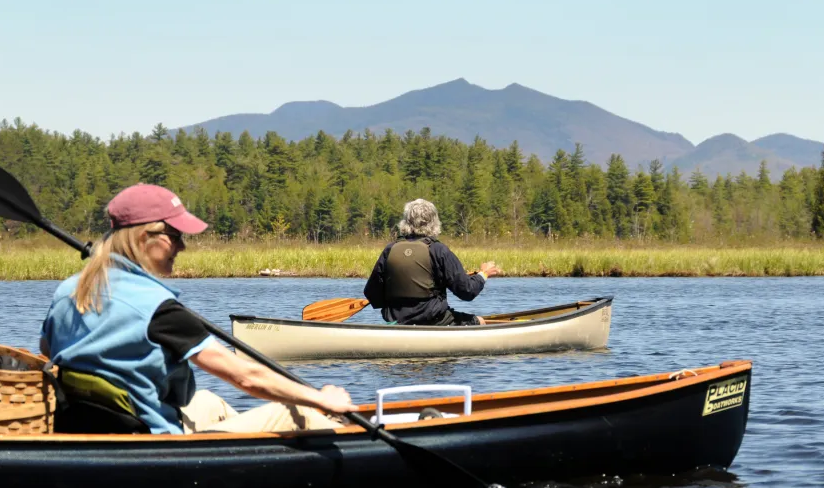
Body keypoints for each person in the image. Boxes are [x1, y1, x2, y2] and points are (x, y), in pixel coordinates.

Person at [40, 183, 358, 435]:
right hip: (151, 439)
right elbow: (245, 378)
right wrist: (321, 398)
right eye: (175, 236)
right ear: (143, 238)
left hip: (94, 428)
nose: (182, 246)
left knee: (207, 400)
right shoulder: (160, 310)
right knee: (299, 411)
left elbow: (47, 351)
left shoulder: (66, 292)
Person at [363, 198, 502, 326]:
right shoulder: (438, 250)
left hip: (397, 322)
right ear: (434, 222)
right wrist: (483, 274)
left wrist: (396, 306)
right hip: (435, 321)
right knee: (481, 321)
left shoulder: (390, 249)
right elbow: (467, 291)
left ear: (405, 222)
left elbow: (371, 293)